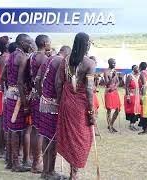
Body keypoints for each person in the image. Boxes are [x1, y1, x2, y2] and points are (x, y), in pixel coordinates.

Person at [56, 32, 96, 179]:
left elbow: (59, 84)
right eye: (89, 42)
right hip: (80, 107)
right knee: (81, 139)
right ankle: (74, 174)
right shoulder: (90, 63)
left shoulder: (65, 60)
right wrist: (91, 113)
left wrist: (59, 103)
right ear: (86, 44)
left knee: (71, 138)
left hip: (66, 103)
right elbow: (89, 90)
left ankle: (73, 172)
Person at [36, 46, 71, 179]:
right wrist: (60, 101)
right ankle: (49, 172)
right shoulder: (61, 61)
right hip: (53, 105)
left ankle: (46, 171)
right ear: (66, 54)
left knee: (46, 137)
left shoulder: (48, 59)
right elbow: (58, 84)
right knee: (53, 139)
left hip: (44, 102)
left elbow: (38, 80)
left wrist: (42, 95)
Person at [1, 34, 34, 172]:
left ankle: (10, 162)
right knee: (15, 130)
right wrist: (25, 103)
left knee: (10, 128)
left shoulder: (11, 55)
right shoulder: (23, 57)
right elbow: (21, 81)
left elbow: (3, 76)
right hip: (17, 97)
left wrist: (10, 87)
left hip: (9, 94)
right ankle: (15, 164)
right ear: (21, 42)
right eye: (28, 42)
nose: (31, 44)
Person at [29, 34, 52, 173]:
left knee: (34, 129)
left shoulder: (32, 56)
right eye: (49, 42)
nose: (50, 44)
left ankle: (35, 161)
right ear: (44, 43)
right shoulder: (44, 58)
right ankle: (37, 163)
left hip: (33, 94)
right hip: (39, 96)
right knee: (39, 130)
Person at [104, 58, 121, 133]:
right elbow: (107, 83)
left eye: (115, 63)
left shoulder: (114, 71)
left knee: (118, 109)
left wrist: (115, 87)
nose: (114, 64)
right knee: (109, 110)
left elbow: (118, 82)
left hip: (114, 91)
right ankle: (110, 127)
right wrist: (112, 77)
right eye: (113, 63)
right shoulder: (106, 72)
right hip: (109, 92)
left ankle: (111, 124)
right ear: (109, 63)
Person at [124, 65, 141, 131]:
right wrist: (128, 96)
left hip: (137, 96)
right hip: (131, 96)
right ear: (133, 69)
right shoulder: (130, 76)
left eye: (138, 69)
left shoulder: (139, 76)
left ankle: (133, 124)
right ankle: (131, 125)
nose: (138, 70)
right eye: (136, 69)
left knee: (136, 111)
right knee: (132, 111)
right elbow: (126, 86)